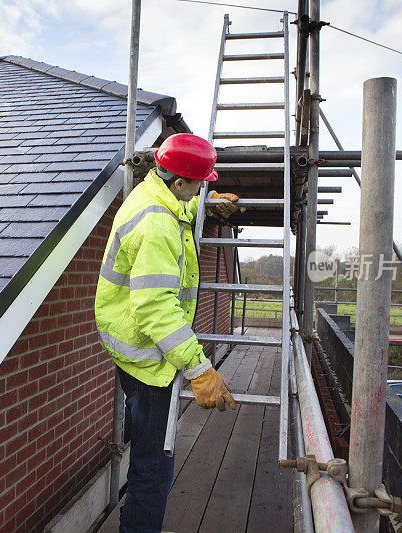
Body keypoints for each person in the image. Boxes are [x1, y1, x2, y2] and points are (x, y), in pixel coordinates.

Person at [95, 133, 240, 532]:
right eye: (199, 184)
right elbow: (155, 308)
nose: (201, 189)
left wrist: (206, 204)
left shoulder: (153, 195)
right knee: (153, 471)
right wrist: (199, 369)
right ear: (180, 182)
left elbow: (180, 209)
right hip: (148, 359)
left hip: (132, 347)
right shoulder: (157, 223)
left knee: (148, 458)